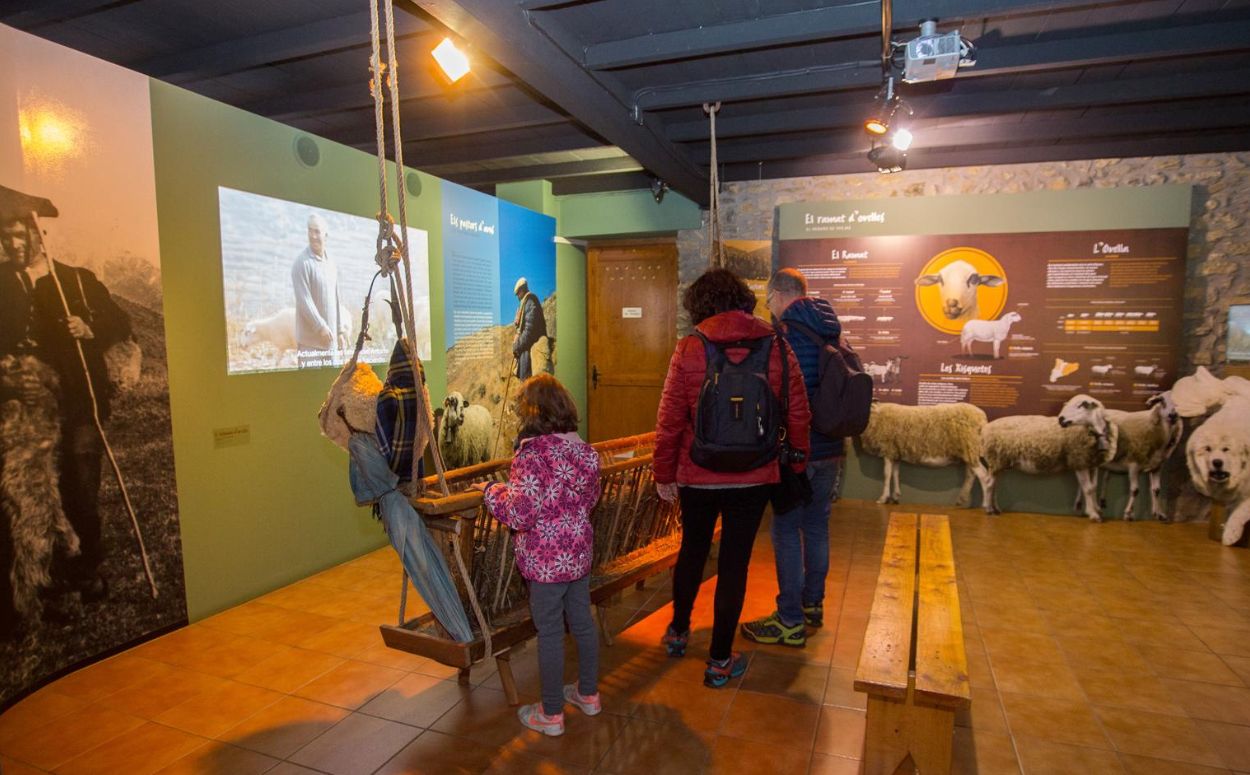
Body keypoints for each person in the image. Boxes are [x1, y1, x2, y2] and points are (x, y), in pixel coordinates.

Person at [653, 268, 810, 688]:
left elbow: (669, 421)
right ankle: (720, 659)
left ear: (698, 305)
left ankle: (678, 631)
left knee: (692, 550)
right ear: (743, 298)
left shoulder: (689, 348)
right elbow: (797, 411)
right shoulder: (776, 344)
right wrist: (795, 463)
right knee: (735, 563)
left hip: (697, 472)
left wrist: (664, 473)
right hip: (755, 473)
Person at [0, 198, 132, 632]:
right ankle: (43, 581)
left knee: (80, 485)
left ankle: (87, 572)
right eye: (6, 237)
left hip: (78, 403)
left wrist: (89, 328)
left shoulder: (75, 281)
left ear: (39, 235)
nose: (12, 243)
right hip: (24, 410)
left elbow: (119, 323)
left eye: (19, 236)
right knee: (33, 495)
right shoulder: (4, 284)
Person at [474, 374, 602, 736]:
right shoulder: (585, 453)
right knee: (581, 623)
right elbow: (589, 501)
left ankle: (551, 714)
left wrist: (491, 491)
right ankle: (588, 695)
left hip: (545, 563)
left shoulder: (532, 456)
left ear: (532, 414)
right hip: (577, 556)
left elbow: (522, 513)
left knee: (548, 633)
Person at [741, 267, 845, 648]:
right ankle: (812, 604)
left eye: (769, 301)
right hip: (832, 448)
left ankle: (788, 619)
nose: (769, 308)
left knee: (786, 530)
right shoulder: (830, 330)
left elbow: (774, 397)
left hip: (797, 451)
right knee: (817, 527)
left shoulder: (784, 338)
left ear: (781, 295)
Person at [292, 213, 348, 364]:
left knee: (333, 384)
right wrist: (320, 326)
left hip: (330, 342)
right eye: (310, 231)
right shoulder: (301, 263)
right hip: (309, 345)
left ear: (326, 235)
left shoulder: (332, 263)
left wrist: (340, 330)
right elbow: (304, 301)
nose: (313, 236)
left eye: (317, 231)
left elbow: (336, 298)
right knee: (309, 386)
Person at [511, 277, 549, 380]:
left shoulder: (530, 302)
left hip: (532, 356)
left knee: (531, 388)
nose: (518, 297)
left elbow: (529, 331)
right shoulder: (526, 304)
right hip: (528, 355)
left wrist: (516, 346)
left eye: (518, 294)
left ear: (522, 290)